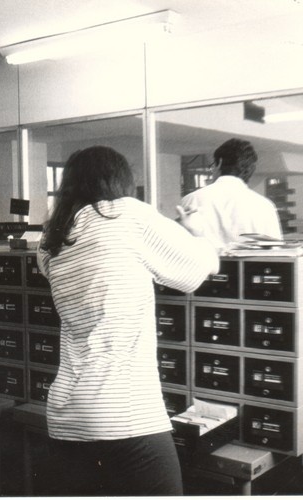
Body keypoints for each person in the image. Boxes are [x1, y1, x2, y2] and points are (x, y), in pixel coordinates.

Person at [37, 146, 219, 496]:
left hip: (68, 416)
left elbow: (96, 261)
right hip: (125, 413)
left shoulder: (52, 240)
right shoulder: (128, 215)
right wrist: (194, 231)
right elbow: (198, 270)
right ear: (120, 181)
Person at [179, 138, 282, 250]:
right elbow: (277, 253)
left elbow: (181, 249)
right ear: (251, 170)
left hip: (202, 267)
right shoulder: (265, 206)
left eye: (212, 165)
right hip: (250, 268)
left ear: (219, 163)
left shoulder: (190, 200)